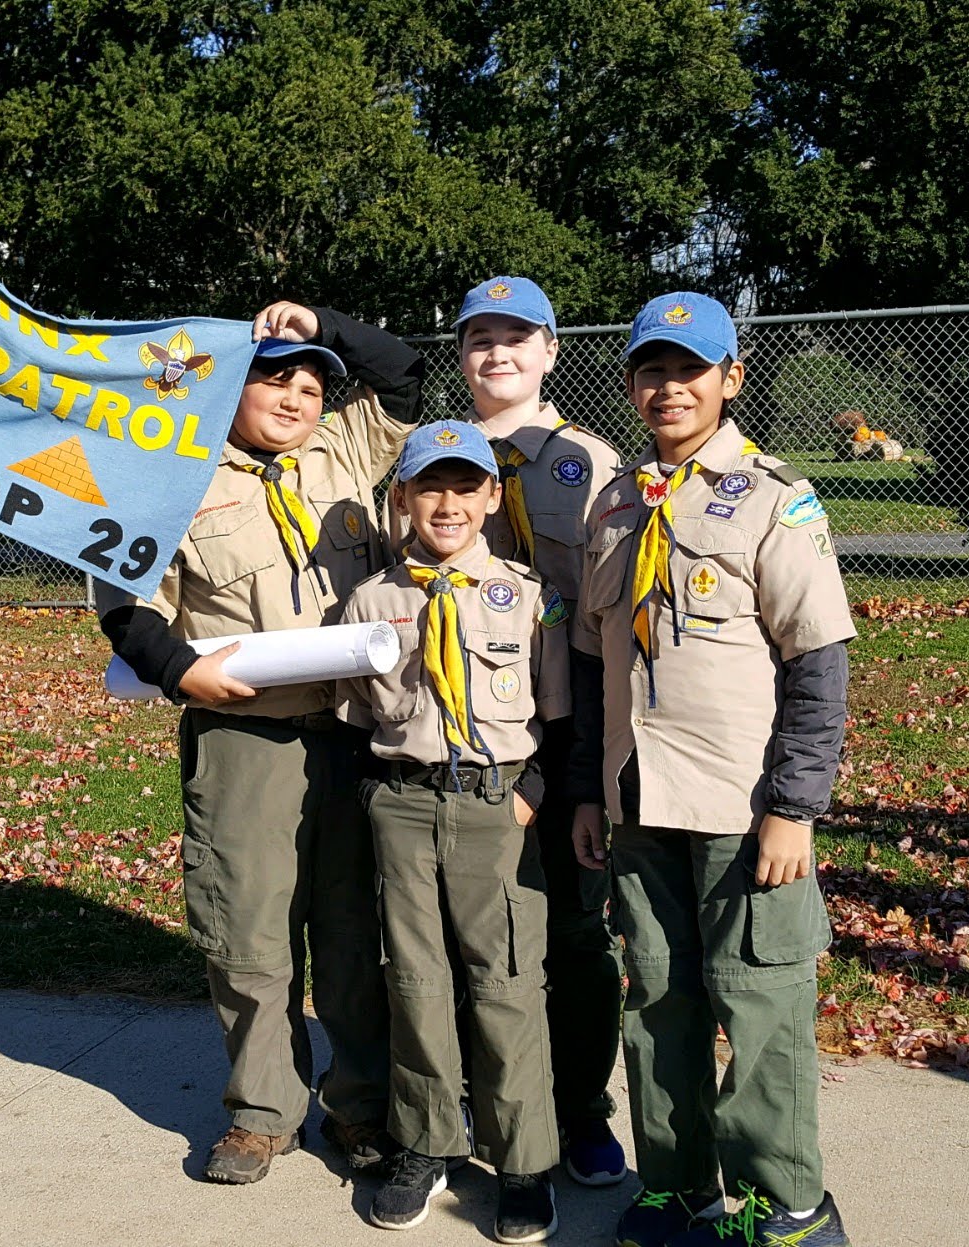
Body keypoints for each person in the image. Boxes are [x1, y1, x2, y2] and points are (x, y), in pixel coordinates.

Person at [96, 301, 419, 1183]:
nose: (295, 397)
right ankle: (262, 1111)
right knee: (249, 934)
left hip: (356, 735)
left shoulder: (349, 450)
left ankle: (359, 1106)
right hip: (246, 737)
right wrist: (177, 671)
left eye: (312, 383)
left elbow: (400, 371)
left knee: (355, 936)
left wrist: (323, 321)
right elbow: (126, 602)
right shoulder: (172, 470)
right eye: (275, 377)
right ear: (233, 388)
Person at [567, 294, 856, 1247]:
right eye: (651, 369)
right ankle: (678, 1185)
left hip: (743, 804)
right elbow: (590, 662)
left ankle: (789, 1205)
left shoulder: (775, 497)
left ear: (730, 379)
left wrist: (795, 807)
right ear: (628, 383)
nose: (668, 386)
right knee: (657, 998)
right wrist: (584, 788)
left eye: (689, 368)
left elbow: (817, 663)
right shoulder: (611, 505)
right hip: (637, 797)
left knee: (760, 1002)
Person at [336, 420, 572, 1242]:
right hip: (402, 802)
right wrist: (379, 795)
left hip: (493, 806)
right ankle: (427, 1142)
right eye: (427, 486)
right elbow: (355, 714)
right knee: (415, 978)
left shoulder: (525, 593)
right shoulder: (371, 602)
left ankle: (520, 1159)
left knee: (505, 980)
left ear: (488, 497)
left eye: (463, 486)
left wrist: (529, 795)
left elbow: (557, 716)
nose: (446, 503)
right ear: (400, 498)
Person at [449, 275, 628, 1186]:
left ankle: (581, 1109)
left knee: (573, 929)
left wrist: (593, 761)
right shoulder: (435, 460)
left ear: (551, 350)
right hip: (465, 725)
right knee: (469, 927)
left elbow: (609, 613)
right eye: (481, 337)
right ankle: (487, 1097)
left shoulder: (590, 463)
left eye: (518, 337)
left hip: (564, 723)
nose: (498, 353)